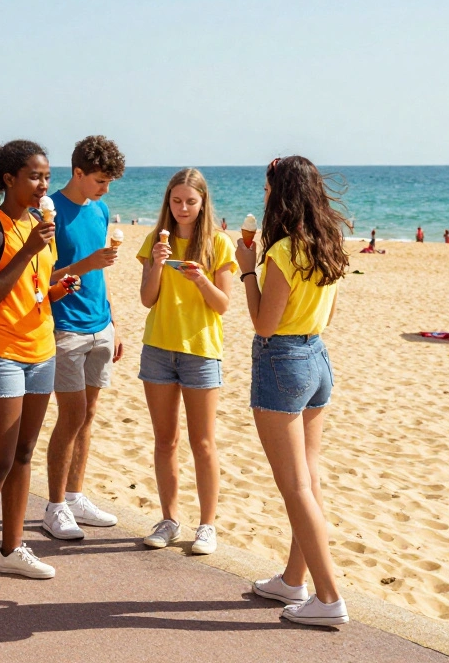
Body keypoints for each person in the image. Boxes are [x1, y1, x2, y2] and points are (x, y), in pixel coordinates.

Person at [235, 155, 350, 627]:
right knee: (310, 478)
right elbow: (329, 315)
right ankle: (294, 579)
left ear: (279, 192)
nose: (263, 195)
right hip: (317, 357)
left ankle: (328, 597)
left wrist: (247, 270)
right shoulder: (328, 243)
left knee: (295, 487)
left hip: (282, 361)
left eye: (266, 188)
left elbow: (265, 324)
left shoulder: (283, 252)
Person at [0, 140, 68, 593]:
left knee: (24, 455)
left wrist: (58, 290)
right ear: (9, 180)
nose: (44, 185)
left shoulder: (43, 226)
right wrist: (26, 251)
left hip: (41, 349)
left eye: (46, 176)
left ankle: (10, 549)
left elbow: (32, 288)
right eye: (35, 176)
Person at [136, 169, 235, 554]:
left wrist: (200, 279)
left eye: (190, 202)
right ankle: (169, 519)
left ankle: (207, 526)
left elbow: (222, 305)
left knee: (204, 442)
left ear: (203, 203)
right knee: (165, 440)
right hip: (158, 348)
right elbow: (147, 299)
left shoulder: (218, 243)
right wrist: (158, 264)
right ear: (168, 201)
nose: (182, 208)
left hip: (201, 350)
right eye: (176, 201)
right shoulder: (154, 241)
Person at [39, 135, 126, 541]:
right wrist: (86, 263)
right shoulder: (50, 212)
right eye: (99, 181)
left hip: (99, 326)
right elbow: (39, 278)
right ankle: (54, 506)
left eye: (109, 182)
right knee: (70, 417)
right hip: (64, 328)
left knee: (88, 417)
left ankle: (74, 496)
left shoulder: (101, 208)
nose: (105, 189)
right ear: (77, 172)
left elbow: (101, 277)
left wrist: (114, 323)